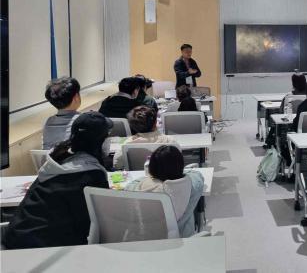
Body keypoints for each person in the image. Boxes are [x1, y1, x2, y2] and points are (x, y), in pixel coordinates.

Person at [3, 112, 112, 249]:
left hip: (14, 240)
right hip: (45, 250)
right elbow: (101, 221)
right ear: (100, 142)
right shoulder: (92, 174)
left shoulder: (56, 161)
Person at [125, 145, 204, 238]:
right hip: (183, 239)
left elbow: (129, 186)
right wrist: (177, 172)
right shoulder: (193, 185)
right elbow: (197, 174)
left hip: (148, 240)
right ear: (181, 165)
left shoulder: (139, 189)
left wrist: (150, 177)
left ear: (152, 167)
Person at [42, 77, 81, 150]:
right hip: (74, 157)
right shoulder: (83, 120)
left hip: (49, 157)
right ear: (76, 97)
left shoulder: (48, 122)